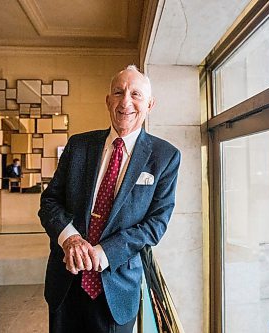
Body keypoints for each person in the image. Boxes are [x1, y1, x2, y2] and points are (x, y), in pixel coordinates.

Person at [38, 65, 181, 333]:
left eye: (136, 94)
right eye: (119, 92)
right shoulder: (78, 146)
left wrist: (103, 253)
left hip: (116, 287)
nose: (125, 101)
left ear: (150, 105)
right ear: (108, 101)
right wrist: (69, 238)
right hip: (65, 284)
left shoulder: (165, 157)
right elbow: (50, 202)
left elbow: (156, 224)